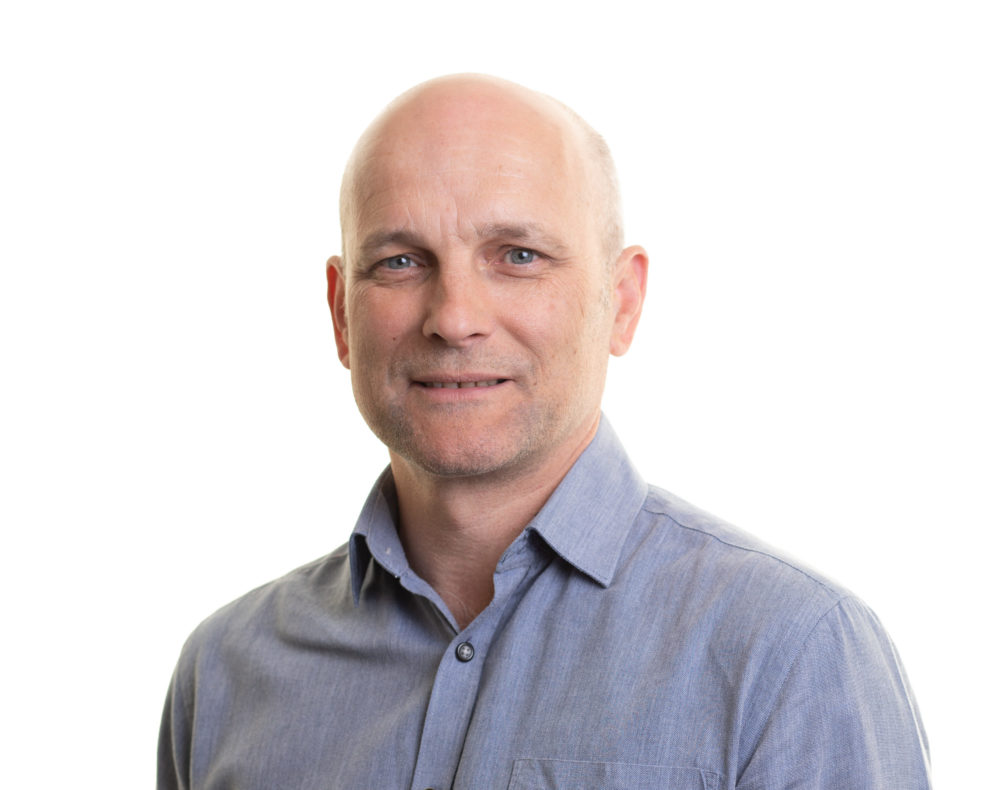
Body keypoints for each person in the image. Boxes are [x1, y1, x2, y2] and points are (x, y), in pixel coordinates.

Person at [159, 74, 932, 789]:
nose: (454, 317)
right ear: (340, 314)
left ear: (622, 302)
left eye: (518, 256)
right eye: (400, 262)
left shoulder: (791, 653)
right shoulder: (223, 675)